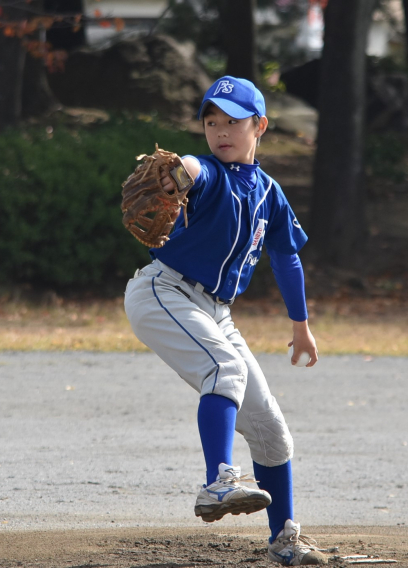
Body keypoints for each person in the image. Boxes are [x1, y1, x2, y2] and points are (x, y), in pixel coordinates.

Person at [124, 76, 328, 566]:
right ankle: (218, 482)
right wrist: (180, 173)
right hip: (163, 290)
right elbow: (192, 170)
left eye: (233, 121)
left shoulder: (269, 191)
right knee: (225, 370)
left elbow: (287, 258)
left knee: (272, 430)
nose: (220, 130)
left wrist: (300, 326)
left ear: (259, 125)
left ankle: (285, 539)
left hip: (216, 311)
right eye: (211, 121)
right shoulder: (210, 172)